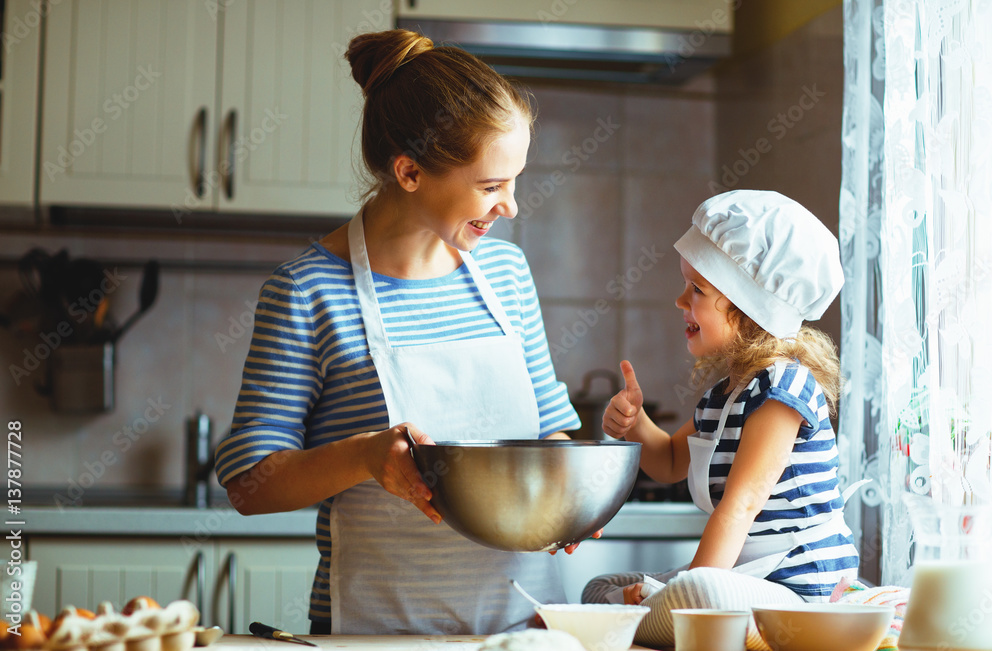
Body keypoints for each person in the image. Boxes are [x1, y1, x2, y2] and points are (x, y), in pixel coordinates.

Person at [213, 29, 581, 636]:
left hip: (524, 627)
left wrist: (573, 500)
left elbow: (551, 431)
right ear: (410, 172)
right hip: (372, 632)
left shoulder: (506, 273)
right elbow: (250, 484)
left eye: (514, 181)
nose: (511, 206)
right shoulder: (308, 291)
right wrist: (363, 456)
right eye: (491, 187)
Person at [583, 190, 863, 645]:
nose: (680, 301)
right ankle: (655, 609)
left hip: (801, 591)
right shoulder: (725, 396)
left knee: (696, 587)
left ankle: (658, 612)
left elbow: (741, 506)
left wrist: (686, 591)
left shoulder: (783, 389)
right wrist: (636, 424)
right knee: (597, 588)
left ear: (748, 305)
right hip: (746, 581)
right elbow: (671, 462)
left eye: (697, 289)